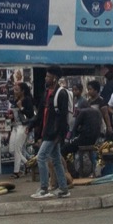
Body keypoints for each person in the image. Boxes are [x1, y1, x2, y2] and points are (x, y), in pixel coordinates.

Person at [29, 67, 71, 199]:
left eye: (48, 76)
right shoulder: (47, 93)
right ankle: (63, 189)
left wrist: (60, 135)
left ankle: (44, 189)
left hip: (53, 133)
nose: (46, 78)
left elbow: (63, 117)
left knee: (41, 157)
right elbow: (41, 114)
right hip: (47, 131)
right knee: (56, 160)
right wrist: (31, 125)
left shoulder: (61, 94)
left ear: (54, 78)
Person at [9, 82, 35, 179]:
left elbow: (30, 115)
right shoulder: (17, 100)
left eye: (17, 90)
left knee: (17, 149)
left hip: (23, 126)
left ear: (22, 91)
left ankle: (16, 172)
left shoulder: (27, 100)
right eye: (14, 90)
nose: (15, 92)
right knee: (12, 149)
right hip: (15, 126)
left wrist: (21, 107)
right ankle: (29, 164)